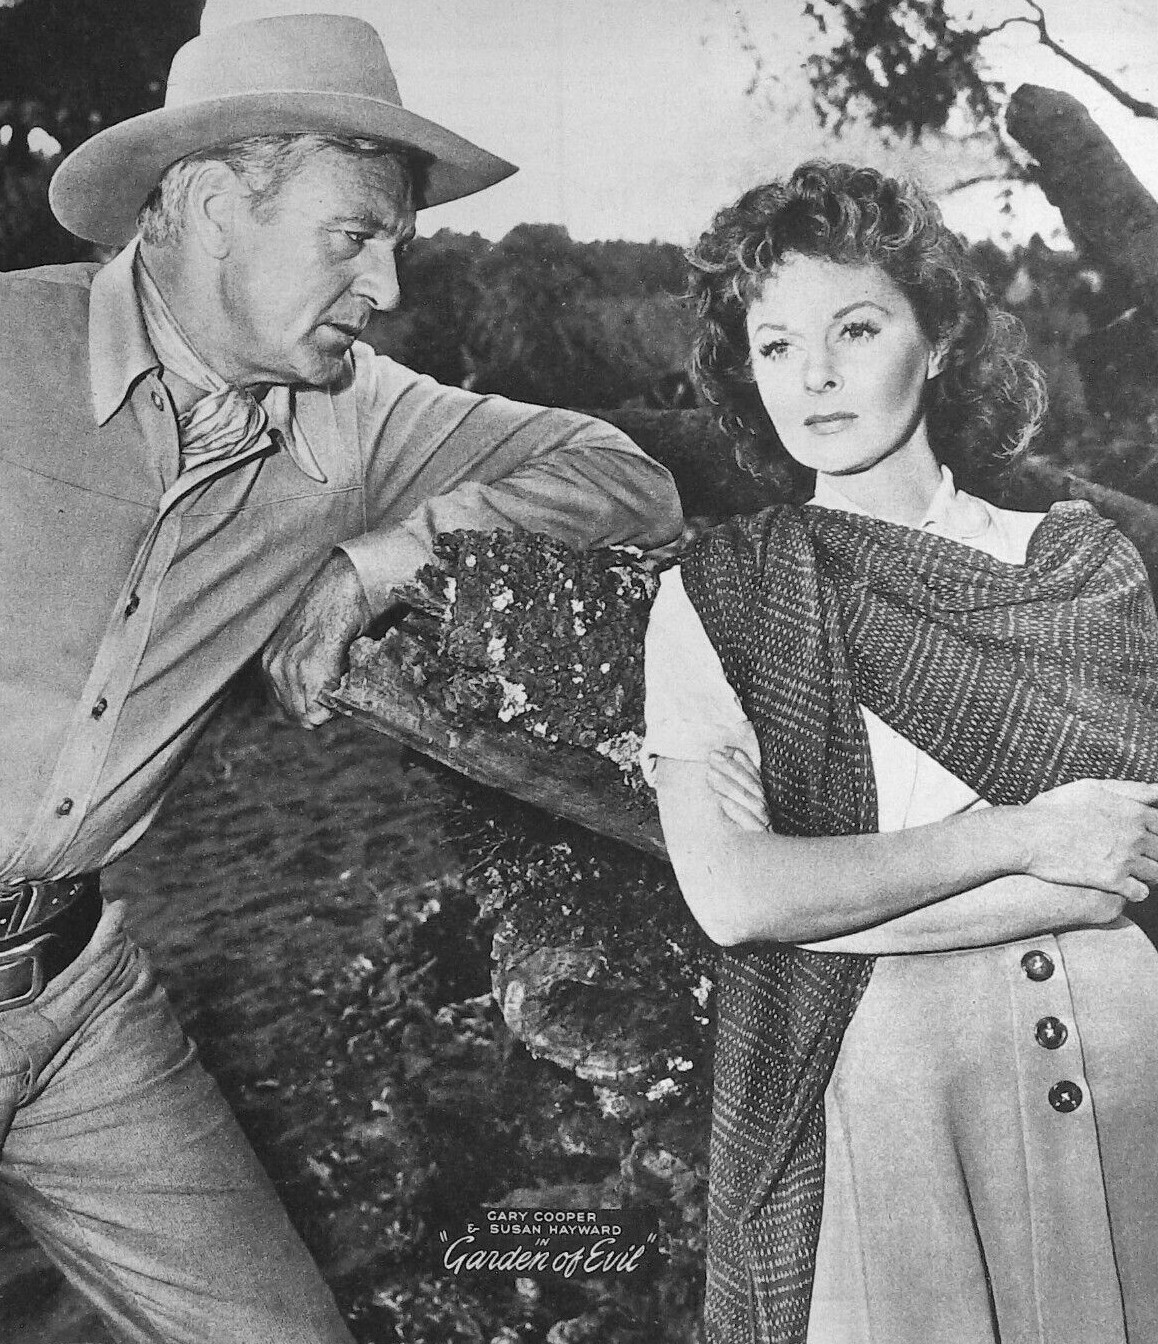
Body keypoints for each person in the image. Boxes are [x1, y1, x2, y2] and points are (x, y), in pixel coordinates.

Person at [0, 12, 682, 1342]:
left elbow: (625, 477)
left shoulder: (353, 411)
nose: (386, 288)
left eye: (397, 245)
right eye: (353, 236)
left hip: (75, 997)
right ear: (211, 207)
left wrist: (385, 556)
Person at [642, 161, 1158, 1344]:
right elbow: (733, 897)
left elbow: (1127, 862)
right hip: (893, 1093)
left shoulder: (1082, 565)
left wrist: (829, 898)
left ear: (937, 341)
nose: (815, 375)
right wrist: (1025, 841)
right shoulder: (722, 596)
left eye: (857, 328)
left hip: (1135, 1063)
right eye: (776, 345)